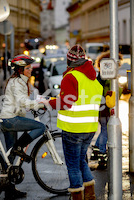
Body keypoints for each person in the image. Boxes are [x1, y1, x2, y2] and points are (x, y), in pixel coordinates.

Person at [45, 45, 103, 200]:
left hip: (73, 128)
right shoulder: (92, 78)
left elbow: (65, 103)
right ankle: (90, 195)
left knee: (72, 165)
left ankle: (78, 196)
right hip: (90, 128)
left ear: (69, 61)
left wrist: (48, 103)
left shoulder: (71, 77)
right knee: (81, 161)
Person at [0, 54, 46, 200]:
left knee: (10, 158)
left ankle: (9, 190)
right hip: (11, 119)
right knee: (41, 127)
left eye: (30, 67)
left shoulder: (20, 81)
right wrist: (40, 104)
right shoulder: (17, 82)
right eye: (28, 67)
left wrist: (39, 101)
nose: (31, 69)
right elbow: (23, 101)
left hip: (9, 118)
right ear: (20, 69)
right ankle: (19, 147)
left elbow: (24, 101)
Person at [91, 51, 123, 169]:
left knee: (104, 128)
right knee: (106, 129)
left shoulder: (100, 75)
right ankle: (101, 152)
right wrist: (120, 88)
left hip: (99, 106)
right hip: (105, 107)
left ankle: (97, 148)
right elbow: (114, 93)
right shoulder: (109, 77)